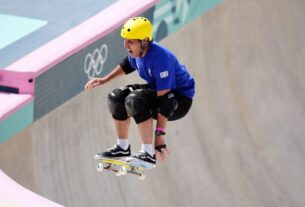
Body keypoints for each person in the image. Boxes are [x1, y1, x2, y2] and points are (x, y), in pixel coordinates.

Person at [85, 17, 195, 164]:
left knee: (134, 99)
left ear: (144, 41)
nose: (125, 45)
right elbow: (127, 65)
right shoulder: (137, 53)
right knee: (116, 98)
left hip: (178, 100)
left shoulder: (160, 59)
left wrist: (160, 138)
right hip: (159, 92)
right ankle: (122, 148)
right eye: (125, 40)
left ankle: (148, 153)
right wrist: (104, 79)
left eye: (130, 41)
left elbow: (166, 100)